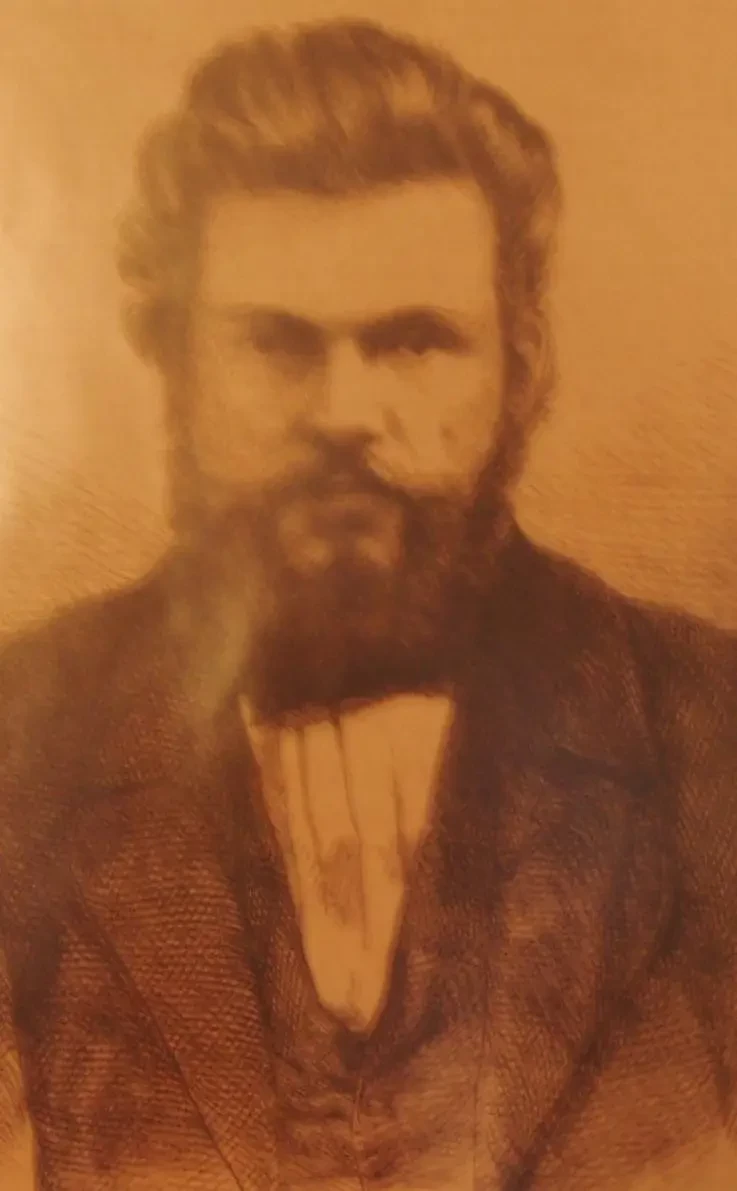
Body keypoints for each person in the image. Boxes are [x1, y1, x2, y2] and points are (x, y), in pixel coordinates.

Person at [1, 18, 736, 1191]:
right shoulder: (23, 738)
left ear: (520, 370)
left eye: (413, 343)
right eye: (274, 344)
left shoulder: (708, 727)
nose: (343, 412)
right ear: (175, 363)